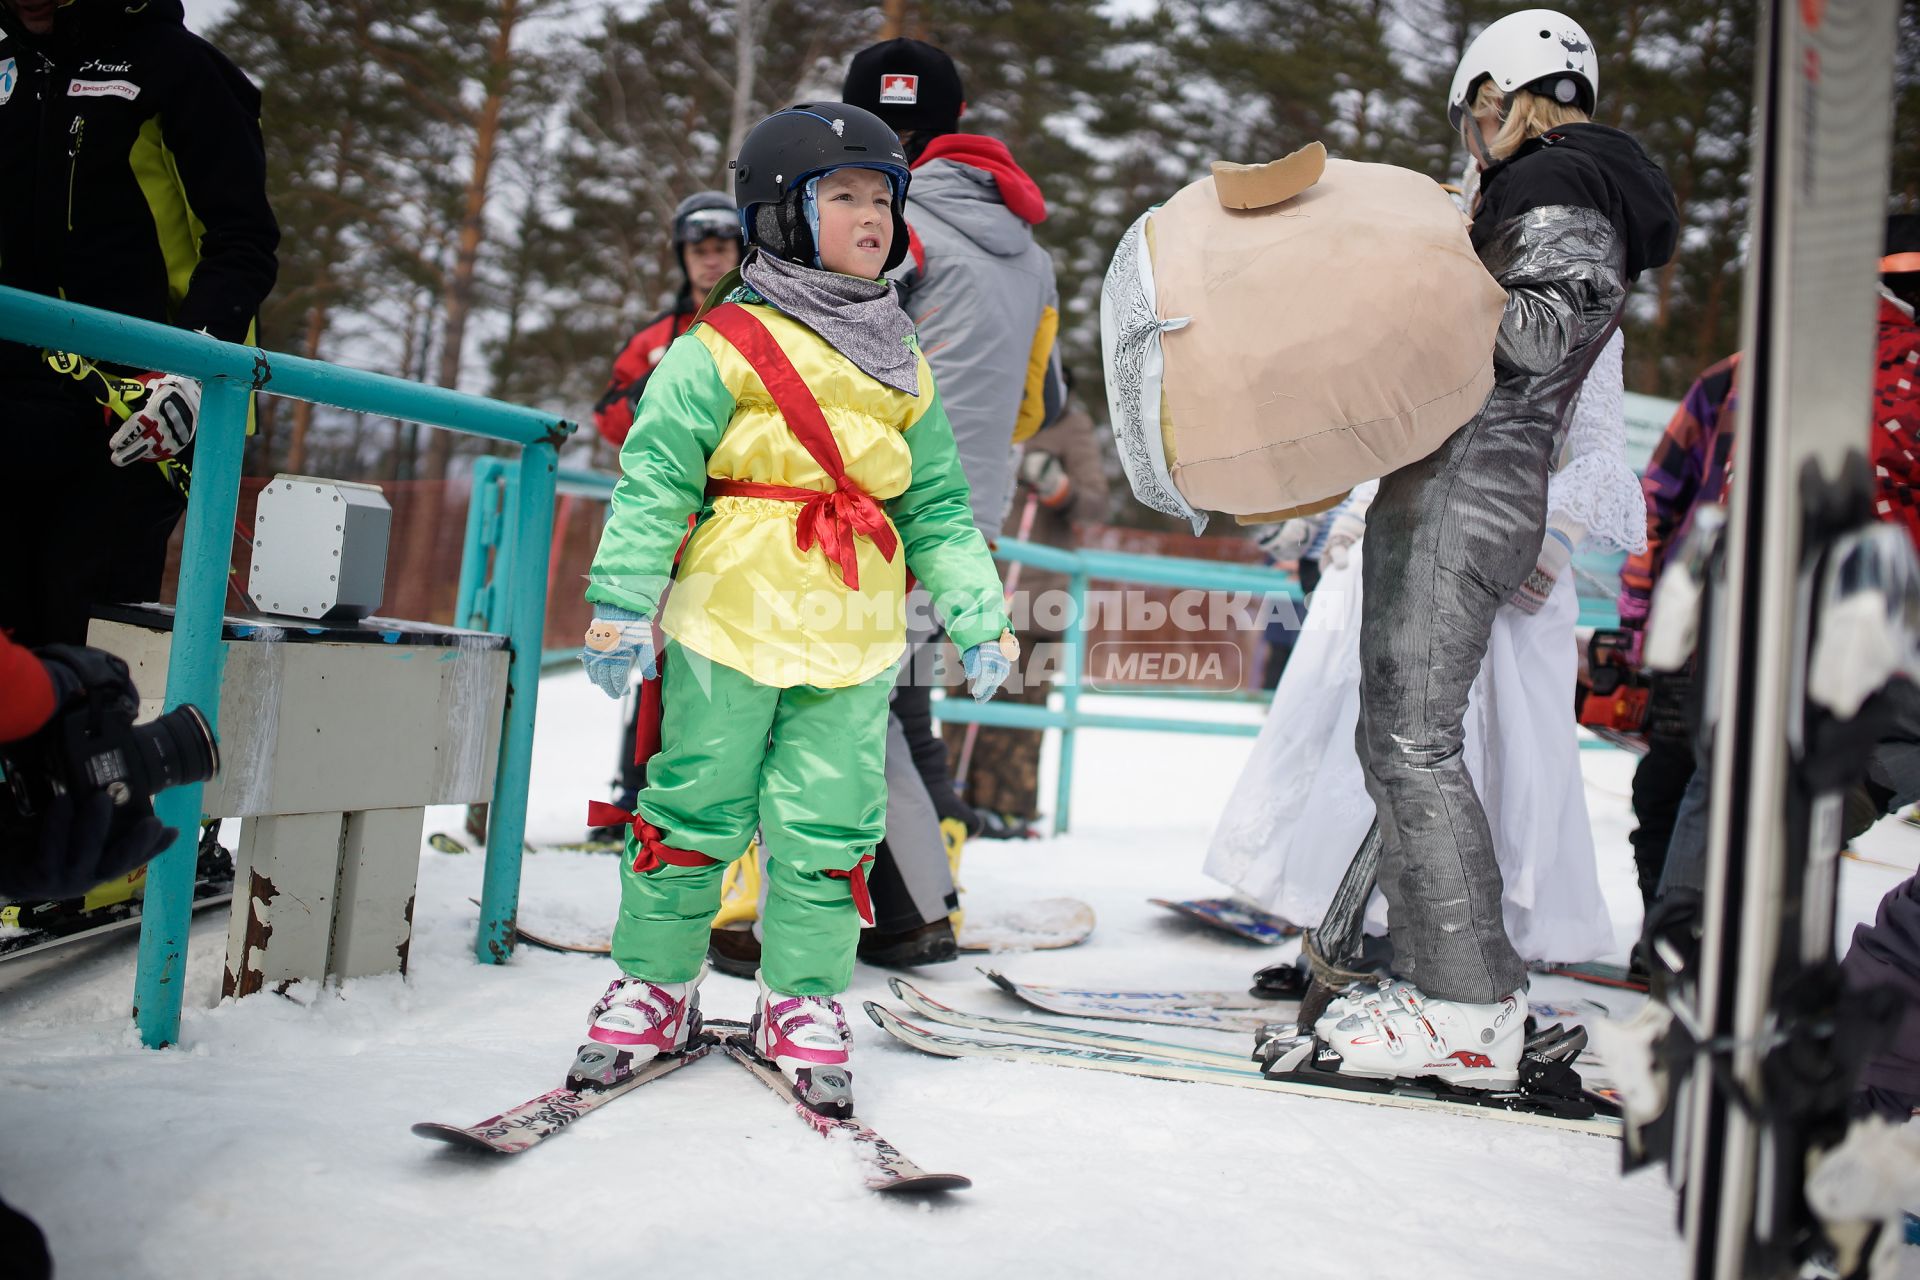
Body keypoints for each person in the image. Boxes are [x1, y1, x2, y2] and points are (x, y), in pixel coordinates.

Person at [572, 103, 1015, 1115]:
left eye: (884, 197)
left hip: (855, 632)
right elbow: (656, 476)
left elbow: (940, 504)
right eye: (845, 195)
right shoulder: (721, 342)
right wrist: (618, 602)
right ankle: (653, 981)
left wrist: (979, 614)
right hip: (730, 620)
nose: (873, 215)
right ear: (779, 213)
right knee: (691, 808)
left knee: (829, 825)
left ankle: (803, 996)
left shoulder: (903, 356)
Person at [1313, 8, 1677, 1091]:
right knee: (1406, 741)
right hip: (1463, 483)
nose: (1475, 136)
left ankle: (1468, 1004)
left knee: (1413, 744)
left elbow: (1537, 328)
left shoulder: (1556, 186)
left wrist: (1428, 254)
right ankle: (1446, 986)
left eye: (1478, 111)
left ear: (1502, 99)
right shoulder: (1560, 187)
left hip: (1469, 488)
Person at [838, 38, 1066, 958]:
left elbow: (841, 349)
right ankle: (928, 900)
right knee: (905, 701)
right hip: (970, 507)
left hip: (883, 496)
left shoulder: (885, 219)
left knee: (855, 698)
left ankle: (911, 913)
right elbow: (1036, 404)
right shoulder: (1032, 252)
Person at [0, 0, 278, 648]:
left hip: (142, 401)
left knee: (81, 631)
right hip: (16, 392)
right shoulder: (9, 67)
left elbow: (242, 240)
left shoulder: (177, 67)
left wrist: (194, 368)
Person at [587, 191, 743, 844]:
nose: (711, 262)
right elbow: (608, 413)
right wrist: (661, 392)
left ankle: (713, 804)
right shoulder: (658, 337)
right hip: (670, 531)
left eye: (723, 249)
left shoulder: (754, 325)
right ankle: (636, 789)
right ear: (683, 257)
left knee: (718, 669)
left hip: (738, 529)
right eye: (699, 250)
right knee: (653, 661)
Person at [1614, 355, 1739, 905]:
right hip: (1699, 625)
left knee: (1746, 795)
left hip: (1811, 635)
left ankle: (1717, 937)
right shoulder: (1732, 378)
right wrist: (1640, 614)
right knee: (1668, 783)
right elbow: (1659, 495)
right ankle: (1663, 932)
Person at [953, 390, 1110, 825]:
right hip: (974, 588)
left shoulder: (1065, 424)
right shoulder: (989, 402)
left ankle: (1009, 813)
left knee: (1017, 718)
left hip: (1035, 595)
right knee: (961, 703)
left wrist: (1059, 488)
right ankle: (951, 802)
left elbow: (1096, 503)